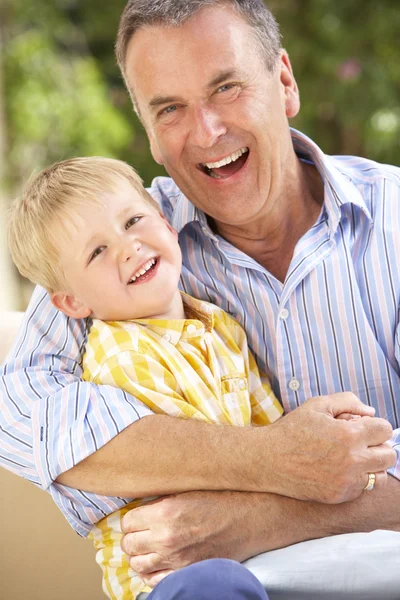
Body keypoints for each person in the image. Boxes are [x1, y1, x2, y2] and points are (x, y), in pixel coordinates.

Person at [1, 0, 400, 597]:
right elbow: (24, 418)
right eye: (170, 108)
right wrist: (271, 458)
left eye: (227, 87)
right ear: (150, 135)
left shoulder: (393, 220)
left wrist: (264, 520)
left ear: (285, 83)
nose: (207, 131)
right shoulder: (128, 248)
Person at [7, 155, 284, 599]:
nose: (128, 247)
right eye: (97, 251)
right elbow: (202, 484)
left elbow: (274, 434)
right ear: (73, 303)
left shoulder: (218, 324)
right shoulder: (122, 355)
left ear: (166, 224)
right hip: (171, 579)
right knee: (216, 583)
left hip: (254, 555)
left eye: (133, 220)